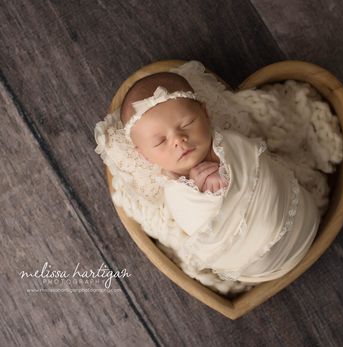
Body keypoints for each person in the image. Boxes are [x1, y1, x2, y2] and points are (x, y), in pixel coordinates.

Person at [117, 71, 320, 283]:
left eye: (186, 124)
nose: (178, 139)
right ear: (144, 155)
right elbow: (195, 225)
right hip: (257, 266)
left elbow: (253, 161)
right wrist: (211, 194)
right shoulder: (175, 193)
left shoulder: (229, 142)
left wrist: (226, 174)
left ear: (206, 113)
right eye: (160, 141)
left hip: (301, 216)